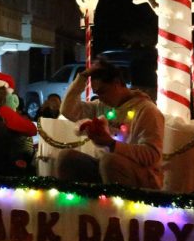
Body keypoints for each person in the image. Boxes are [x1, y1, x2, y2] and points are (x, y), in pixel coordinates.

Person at [55, 59, 164, 189]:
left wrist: (111, 144)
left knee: (110, 161)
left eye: (103, 91)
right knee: (66, 158)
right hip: (105, 167)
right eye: (97, 93)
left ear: (117, 82)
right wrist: (82, 77)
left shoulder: (147, 110)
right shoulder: (101, 106)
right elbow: (67, 110)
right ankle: (78, 206)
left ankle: (113, 208)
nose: (100, 97)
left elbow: (152, 155)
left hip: (141, 175)